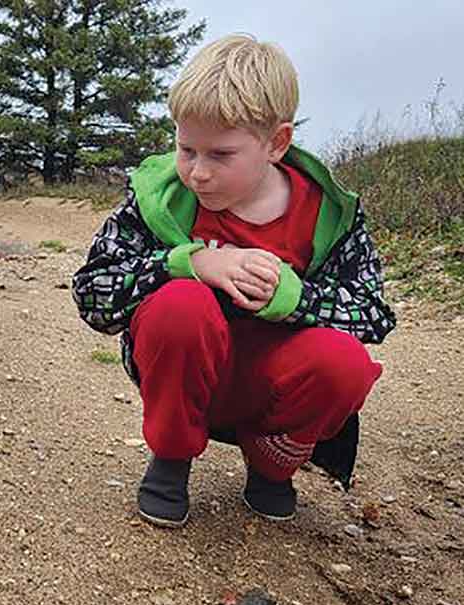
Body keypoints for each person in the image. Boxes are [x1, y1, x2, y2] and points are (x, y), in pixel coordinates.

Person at [71, 34, 396, 528]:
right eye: (186, 149)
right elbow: (92, 293)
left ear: (276, 144)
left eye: (220, 155)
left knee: (345, 363)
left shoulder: (327, 213)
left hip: (271, 381)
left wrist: (296, 298)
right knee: (180, 304)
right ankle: (172, 457)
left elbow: (374, 313)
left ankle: (271, 466)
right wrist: (187, 263)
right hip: (184, 374)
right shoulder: (159, 197)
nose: (197, 173)